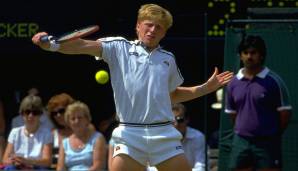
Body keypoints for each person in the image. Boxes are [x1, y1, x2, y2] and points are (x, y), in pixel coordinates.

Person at [32, 3, 233, 171]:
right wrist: (52, 45)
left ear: (164, 33)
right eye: (149, 25)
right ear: (138, 26)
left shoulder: (168, 59)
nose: (153, 30)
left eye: (159, 27)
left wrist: (206, 88)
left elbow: (171, 96)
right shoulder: (118, 47)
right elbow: (82, 45)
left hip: (163, 133)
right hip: (129, 135)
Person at [225, 35, 292, 171]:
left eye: (253, 52)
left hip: (267, 143)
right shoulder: (233, 83)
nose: (249, 56)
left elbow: (285, 114)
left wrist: (270, 133)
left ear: (261, 55)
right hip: (241, 142)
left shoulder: (274, 81)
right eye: (246, 53)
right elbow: (233, 114)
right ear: (240, 56)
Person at [2, 95, 53, 170]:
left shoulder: (46, 133)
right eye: (27, 112)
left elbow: (47, 161)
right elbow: (5, 160)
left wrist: (28, 162)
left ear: (40, 114)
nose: (31, 115)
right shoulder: (15, 132)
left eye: (35, 112)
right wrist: (14, 162)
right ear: (22, 114)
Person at [56, 101, 106, 171]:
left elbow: (98, 166)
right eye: (73, 119)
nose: (76, 121)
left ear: (87, 119)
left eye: (80, 118)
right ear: (69, 123)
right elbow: (60, 168)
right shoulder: (65, 143)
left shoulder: (97, 138)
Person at [46, 93, 75, 168]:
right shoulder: (52, 134)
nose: (58, 115)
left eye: (61, 111)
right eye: (54, 113)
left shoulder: (85, 130)